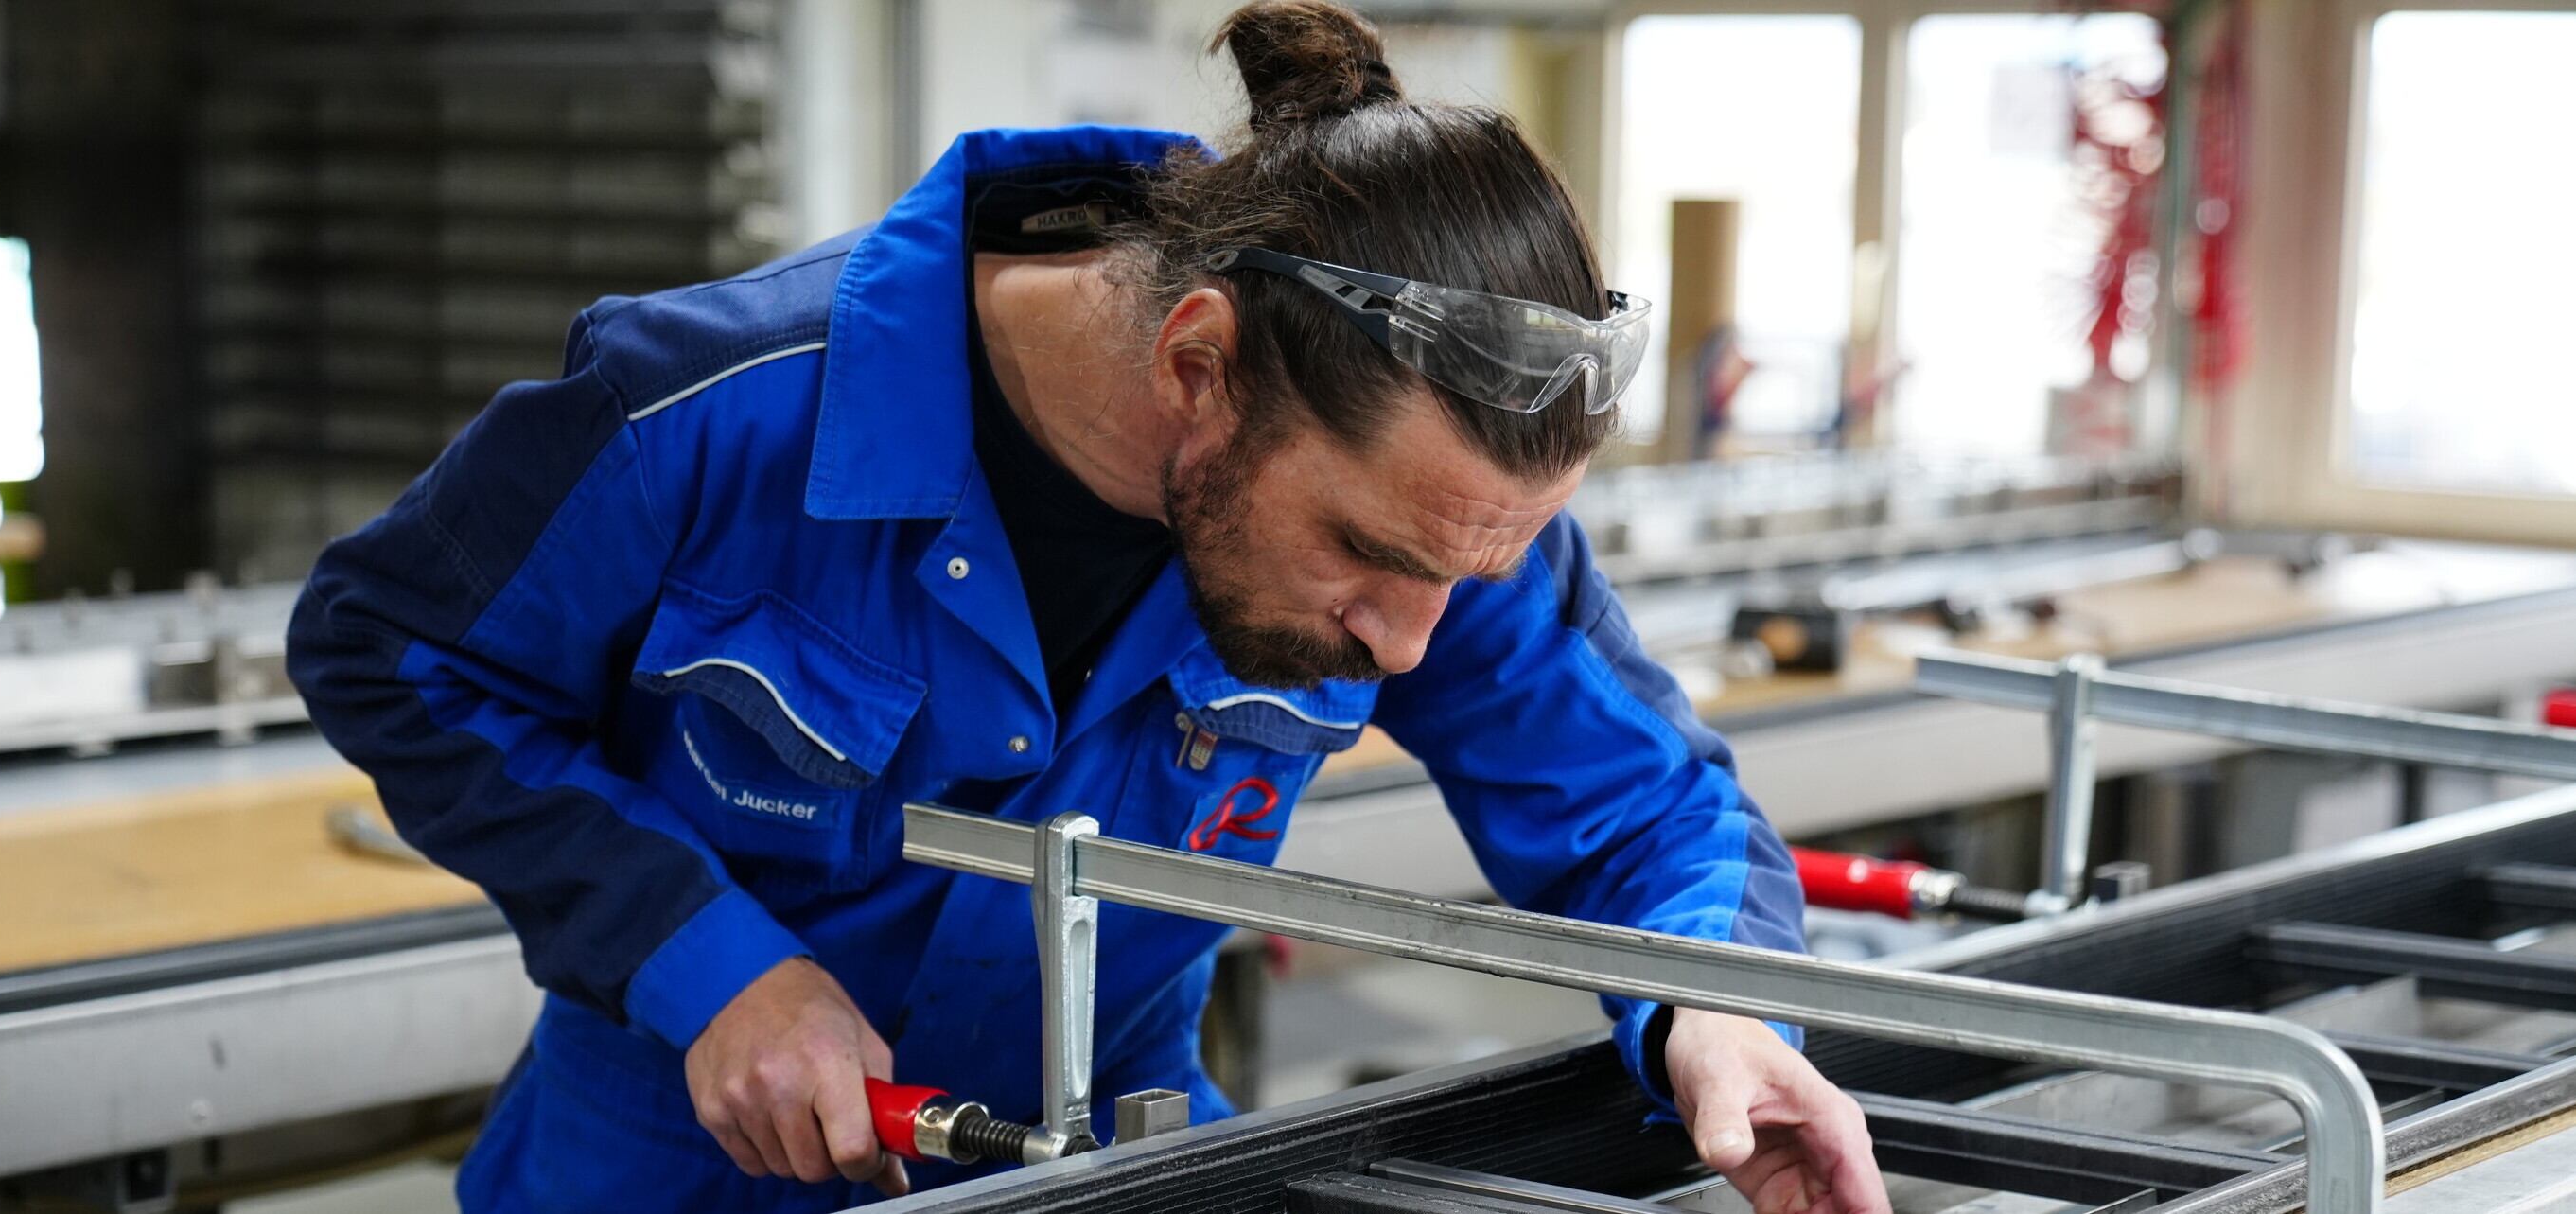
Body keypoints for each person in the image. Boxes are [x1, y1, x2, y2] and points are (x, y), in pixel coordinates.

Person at [287, 4, 1885, 1211]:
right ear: (1198, 366)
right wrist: (704, 963)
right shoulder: (704, 415)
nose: (1413, 645)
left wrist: (1711, 1009)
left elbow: (1639, 805)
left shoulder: (1438, 513)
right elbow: (392, 650)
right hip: (670, 1165)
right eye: (1366, 563)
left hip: (1107, 1173)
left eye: (1454, 584)